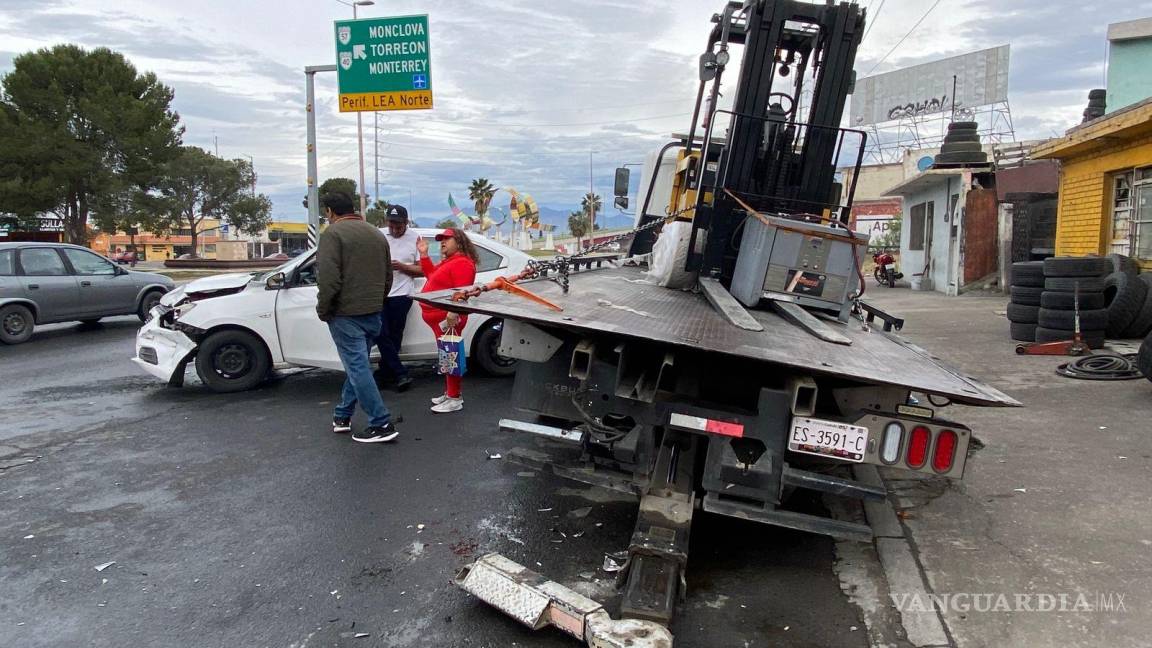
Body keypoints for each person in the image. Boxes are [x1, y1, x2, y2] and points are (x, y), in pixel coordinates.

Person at [315, 191, 399, 443]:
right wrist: (378, 302)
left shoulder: (332, 234)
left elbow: (328, 279)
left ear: (330, 212)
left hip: (345, 313)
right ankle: (342, 415)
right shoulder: (376, 233)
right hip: (373, 311)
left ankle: (381, 422)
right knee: (358, 365)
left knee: (358, 367)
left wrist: (324, 309)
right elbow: (388, 276)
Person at [417, 228, 479, 413]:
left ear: (459, 241)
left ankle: (454, 397)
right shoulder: (450, 262)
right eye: (441, 239)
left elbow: (461, 291)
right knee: (447, 357)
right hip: (440, 319)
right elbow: (431, 277)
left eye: (447, 239)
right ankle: (450, 392)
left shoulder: (462, 263)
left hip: (448, 319)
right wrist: (424, 255)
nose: (442, 242)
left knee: (451, 356)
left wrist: (453, 312)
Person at [375, 205, 422, 391]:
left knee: (395, 336)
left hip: (402, 294)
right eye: (391, 225)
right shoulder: (378, 236)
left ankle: (384, 374)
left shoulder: (415, 238)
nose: (394, 230)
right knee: (380, 332)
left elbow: (422, 269)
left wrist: (402, 266)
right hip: (380, 293)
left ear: (406, 223)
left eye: (398, 226)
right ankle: (399, 372)